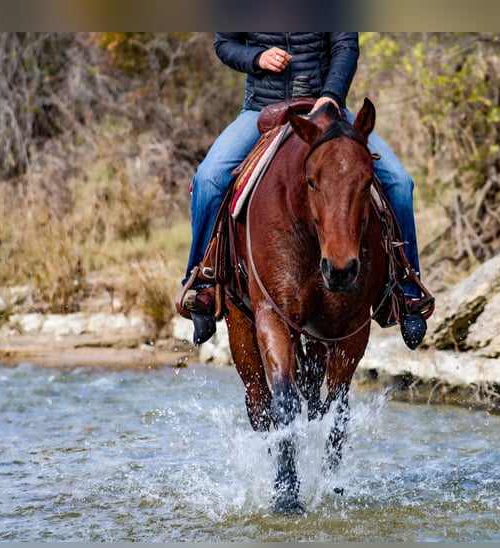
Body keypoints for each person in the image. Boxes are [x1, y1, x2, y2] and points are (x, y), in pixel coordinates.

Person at [181, 33, 432, 349]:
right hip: (261, 108)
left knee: (398, 183)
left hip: (325, 107)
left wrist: (331, 95)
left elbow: (345, 45)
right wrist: (256, 59)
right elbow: (224, 44)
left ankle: (406, 290)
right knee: (208, 180)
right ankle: (203, 282)